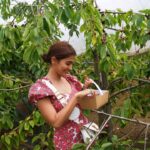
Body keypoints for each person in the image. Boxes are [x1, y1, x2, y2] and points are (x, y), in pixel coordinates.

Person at [28, 41, 97, 150]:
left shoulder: (70, 79)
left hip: (85, 135)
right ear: (54, 60)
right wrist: (76, 98)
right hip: (67, 144)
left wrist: (85, 89)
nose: (70, 67)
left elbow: (80, 103)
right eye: (68, 63)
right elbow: (55, 122)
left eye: (72, 64)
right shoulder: (41, 89)